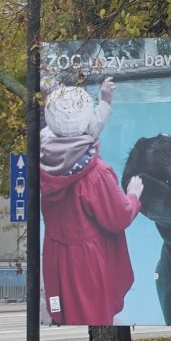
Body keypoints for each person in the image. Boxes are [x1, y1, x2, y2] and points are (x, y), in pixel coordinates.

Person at [40, 78, 145, 325]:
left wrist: (103, 103)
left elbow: (68, 127)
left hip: (55, 254)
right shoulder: (96, 174)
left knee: (60, 306)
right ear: (86, 123)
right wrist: (134, 196)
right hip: (87, 260)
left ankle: (59, 320)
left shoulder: (43, 152)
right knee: (93, 312)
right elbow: (118, 217)